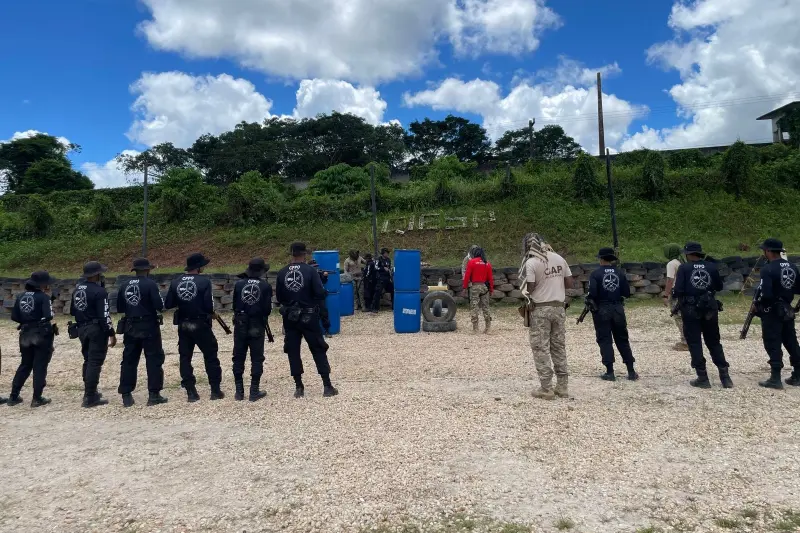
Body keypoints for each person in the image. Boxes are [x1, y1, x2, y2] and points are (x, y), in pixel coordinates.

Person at [276, 242, 338, 398]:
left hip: (290, 317)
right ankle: (327, 385)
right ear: (304, 255)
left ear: (292, 254)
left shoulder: (282, 273)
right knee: (318, 348)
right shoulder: (310, 271)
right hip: (309, 315)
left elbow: (279, 297)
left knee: (293, 351)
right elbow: (319, 293)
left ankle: (299, 387)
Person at [164, 253, 225, 402]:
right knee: (210, 355)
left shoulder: (176, 282)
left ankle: (191, 392)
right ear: (198, 267)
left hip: (184, 324)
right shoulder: (204, 282)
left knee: (185, 358)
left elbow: (168, 304)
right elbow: (209, 306)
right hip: (201, 323)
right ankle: (215, 391)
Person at [519, 233, 573, 400]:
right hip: (559, 308)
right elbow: (570, 283)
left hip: (541, 310)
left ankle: (546, 388)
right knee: (558, 347)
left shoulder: (532, 262)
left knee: (541, 348)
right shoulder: (559, 258)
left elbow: (531, 287)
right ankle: (562, 386)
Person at [672, 242, 732, 389]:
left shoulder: (684, 268)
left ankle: (702, 377)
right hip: (710, 308)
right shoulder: (711, 267)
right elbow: (719, 286)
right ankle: (725, 377)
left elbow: (678, 290)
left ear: (688, 254)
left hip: (691, 309)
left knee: (694, 342)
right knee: (714, 342)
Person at [116, 258, 168, 407]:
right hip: (148, 324)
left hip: (130, 325)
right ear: (148, 270)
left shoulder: (124, 284)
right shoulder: (150, 284)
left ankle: (126, 394)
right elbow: (159, 305)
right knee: (153, 359)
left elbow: (120, 307)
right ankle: (154, 394)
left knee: (129, 360)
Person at [753, 238, 800, 388]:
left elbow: (766, 294)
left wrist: (760, 307)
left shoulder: (768, 269)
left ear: (768, 251)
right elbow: (798, 289)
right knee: (791, 341)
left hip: (772, 311)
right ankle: (797, 375)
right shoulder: (792, 267)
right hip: (787, 309)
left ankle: (775, 377)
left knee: (772, 342)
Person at [588, 248, 638, 381]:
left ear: (601, 259)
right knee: (622, 339)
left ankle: (610, 371)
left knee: (605, 339)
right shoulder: (619, 272)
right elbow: (626, 292)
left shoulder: (595, 274)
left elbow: (592, 293)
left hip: (602, 309)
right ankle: (631, 370)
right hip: (617, 308)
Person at [8, 271, 57, 407]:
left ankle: (13, 396)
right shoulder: (43, 297)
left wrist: (26, 320)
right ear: (42, 284)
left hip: (25, 333)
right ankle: (36, 398)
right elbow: (48, 316)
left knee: (25, 364)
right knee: (39, 366)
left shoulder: (21, 296)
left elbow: (14, 317)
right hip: (40, 334)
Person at [71, 261, 116, 408]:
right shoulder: (99, 291)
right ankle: (90, 396)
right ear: (96, 275)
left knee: (87, 359)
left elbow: (73, 311)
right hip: (96, 329)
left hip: (82, 328)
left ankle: (89, 391)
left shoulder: (77, 289)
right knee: (95, 362)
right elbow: (104, 315)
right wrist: (111, 332)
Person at [232, 258, 272, 401]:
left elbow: (234, 306)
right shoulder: (265, 286)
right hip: (256, 323)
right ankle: (254, 391)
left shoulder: (239, 284)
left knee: (238, 356)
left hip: (241, 322)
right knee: (256, 358)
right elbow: (267, 309)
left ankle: (239, 391)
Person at [463, 247, 494, 333]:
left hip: (475, 287)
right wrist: (491, 289)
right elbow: (490, 278)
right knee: (486, 307)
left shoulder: (472, 262)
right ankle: (488, 328)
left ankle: (475, 328)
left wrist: (465, 287)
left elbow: (467, 276)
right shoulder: (487, 263)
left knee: (474, 307)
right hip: (484, 288)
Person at [664, 244, 688, 351]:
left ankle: (685, 341)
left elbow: (670, 280)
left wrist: (666, 295)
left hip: (675, 293)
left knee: (678, 317)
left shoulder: (671, 264)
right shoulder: (681, 262)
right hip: (684, 292)